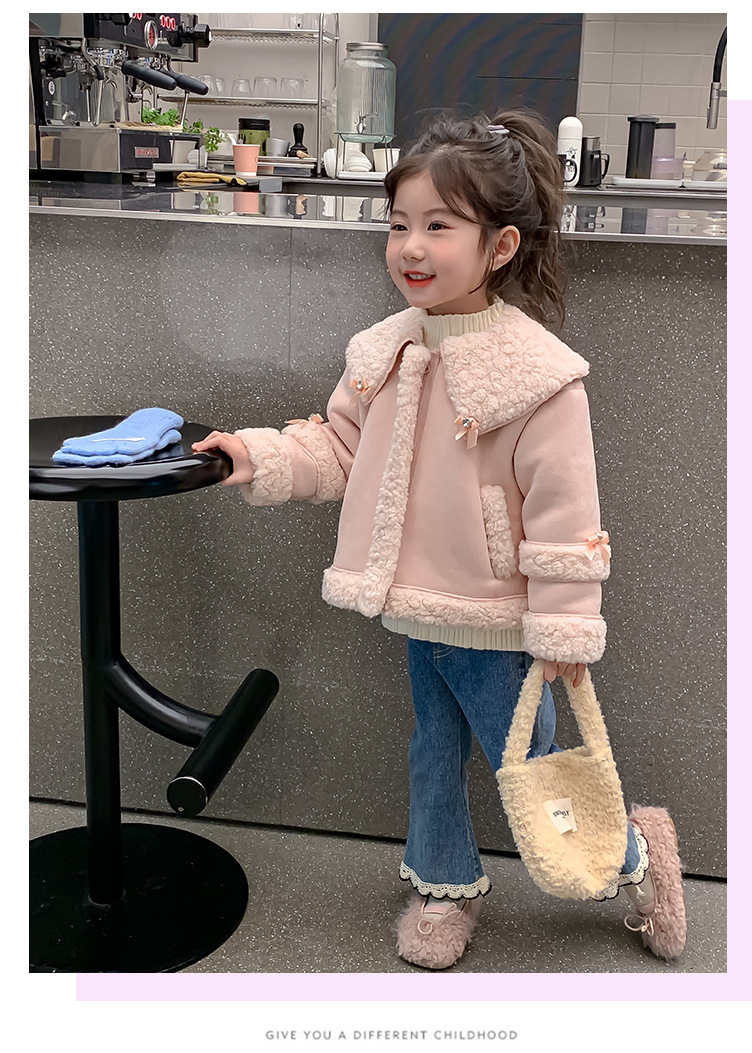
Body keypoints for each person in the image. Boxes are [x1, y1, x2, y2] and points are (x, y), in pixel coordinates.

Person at [192, 109, 687, 969]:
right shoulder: (384, 352)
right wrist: (256, 455)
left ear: (500, 246)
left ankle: (636, 854)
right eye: (398, 225)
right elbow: (338, 447)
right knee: (432, 754)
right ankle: (444, 883)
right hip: (418, 610)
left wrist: (564, 629)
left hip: (496, 622)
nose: (411, 247)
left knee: (531, 766)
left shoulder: (538, 376)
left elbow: (566, 514)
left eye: (438, 226)